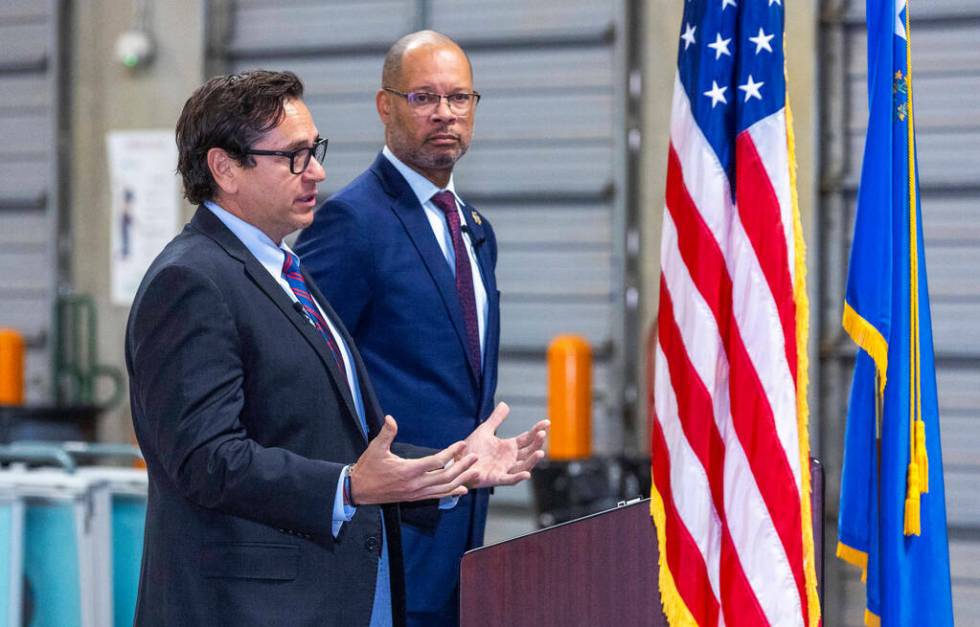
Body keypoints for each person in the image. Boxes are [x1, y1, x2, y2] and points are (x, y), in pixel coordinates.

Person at [126, 70, 546, 626]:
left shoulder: (285, 270)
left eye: (314, 150)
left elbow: (330, 436)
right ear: (224, 167)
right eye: (294, 156)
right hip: (251, 608)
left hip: (335, 595)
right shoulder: (191, 281)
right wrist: (346, 487)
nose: (317, 171)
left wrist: (451, 467)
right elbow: (204, 460)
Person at [295, 31, 545, 626]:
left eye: (459, 99)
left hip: (461, 531)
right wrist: (417, 468)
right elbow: (309, 380)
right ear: (386, 106)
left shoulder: (474, 228)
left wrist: (475, 461)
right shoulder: (350, 223)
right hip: (385, 534)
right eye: (423, 97)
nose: (444, 114)